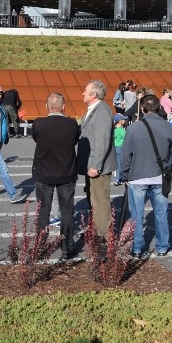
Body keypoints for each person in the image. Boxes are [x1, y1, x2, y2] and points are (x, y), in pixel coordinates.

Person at [118, 93, 172, 257]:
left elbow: (125, 156)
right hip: (160, 176)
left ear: (143, 109)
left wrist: (124, 176)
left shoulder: (133, 128)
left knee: (136, 215)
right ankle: (162, 247)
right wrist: (169, 168)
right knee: (161, 213)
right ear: (159, 108)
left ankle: (137, 248)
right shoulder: (167, 126)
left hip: (137, 177)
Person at [31, 93, 80, 260]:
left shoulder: (38, 124)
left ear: (47, 106)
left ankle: (40, 247)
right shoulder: (72, 124)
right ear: (63, 106)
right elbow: (74, 141)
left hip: (44, 173)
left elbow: (37, 140)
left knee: (42, 212)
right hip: (66, 173)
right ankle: (67, 248)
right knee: (67, 211)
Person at [77, 79, 116, 238]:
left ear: (93, 94)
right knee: (93, 199)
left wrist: (95, 165)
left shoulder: (101, 111)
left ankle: (105, 236)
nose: (83, 93)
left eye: (85, 91)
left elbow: (102, 141)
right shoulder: (93, 109)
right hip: (90, 164)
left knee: (100, 201)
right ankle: (96, 230)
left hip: (96, 166)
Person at [112, 113, 128, 185]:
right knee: (120, 164)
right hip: (120, 148)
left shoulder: (113, 129)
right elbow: (127, 138)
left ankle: (117, 177)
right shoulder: (122, 131)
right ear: (120, 121)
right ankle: (118, 179)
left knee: (116, 163)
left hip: (114, 147)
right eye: (123, 119)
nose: (124, 120)